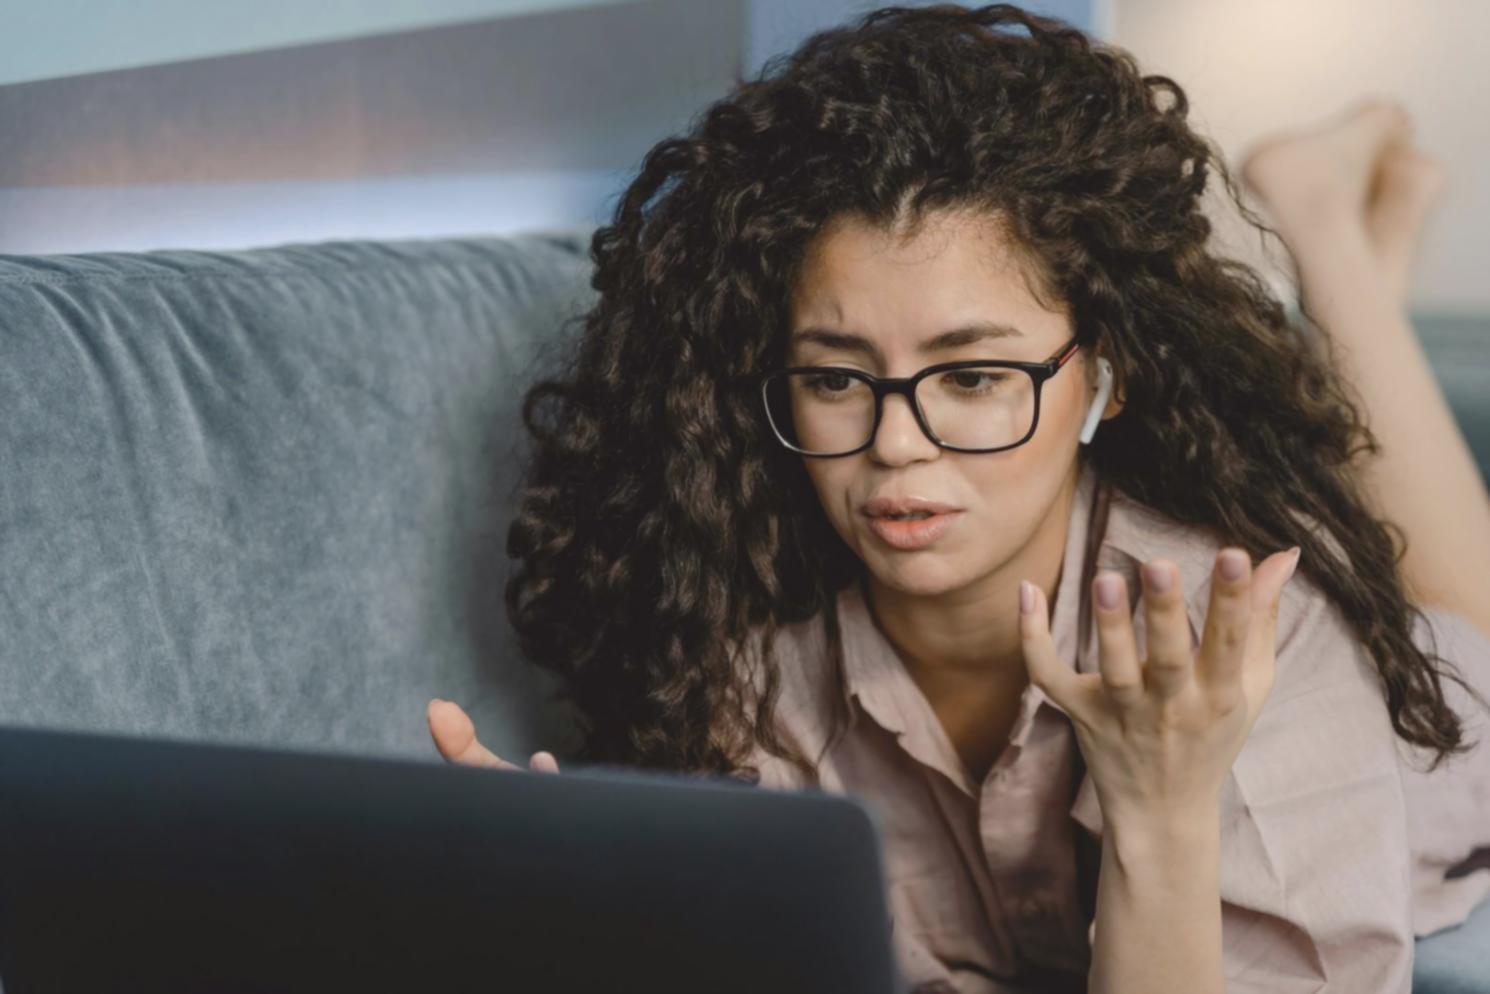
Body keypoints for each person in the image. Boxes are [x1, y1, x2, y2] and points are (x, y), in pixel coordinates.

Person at [426, 5, 1490, 991]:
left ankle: (1333, 240)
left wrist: (1159, 809)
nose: (894, 447)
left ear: (1103, 376)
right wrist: (586, 924)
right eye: (835, 378)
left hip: (1431, 735)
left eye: (974, 378)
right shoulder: (743, 662)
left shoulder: (1256, 631)